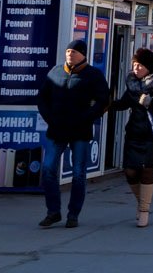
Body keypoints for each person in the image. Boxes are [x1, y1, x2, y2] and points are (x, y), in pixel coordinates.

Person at [36, 39, 110, 228]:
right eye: (68, 51)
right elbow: (42, 98)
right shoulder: (56, 72)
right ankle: (53, 212)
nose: (70, 54)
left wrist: (87, 117)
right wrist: (50, 118)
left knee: (78, 174)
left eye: (74, 52)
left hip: (80, 131)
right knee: (48, 170)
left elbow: (103, 101)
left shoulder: (93, 75)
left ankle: (73, 214)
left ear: (83, 54)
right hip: (57, 130)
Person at [110, 48, 153, 228]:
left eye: (139, 65)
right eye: (134, 64)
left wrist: (150, 103)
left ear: (149, 67)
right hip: (134, 133)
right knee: (130, 171)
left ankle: (144, 210)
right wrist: (105, 104)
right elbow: (123, 103)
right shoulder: (132, 84)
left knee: (147, 170)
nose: (136, 68)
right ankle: (141, 202)